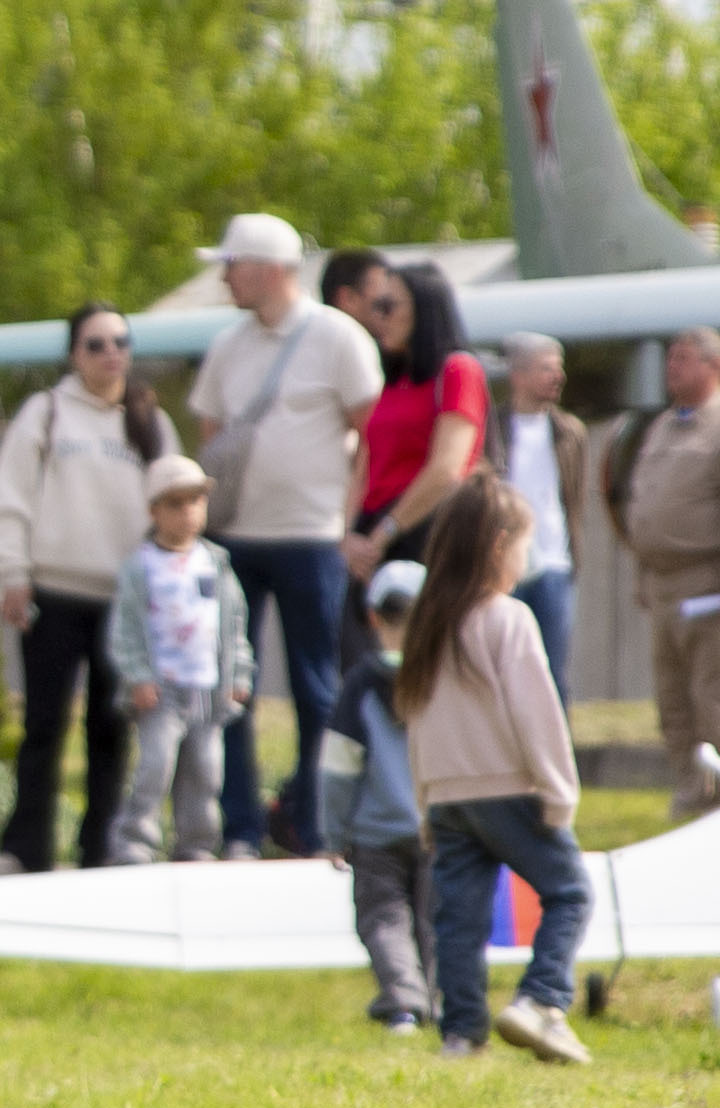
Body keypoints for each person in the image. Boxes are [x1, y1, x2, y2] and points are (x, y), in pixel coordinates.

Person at [188, 214, 384, 856]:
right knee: (231, 687)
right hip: (238, 540)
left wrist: (348, 523)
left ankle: (318, 824)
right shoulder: (227, 346)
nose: (225, 276)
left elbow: (370, 436)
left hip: (312, 540)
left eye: (234, 264)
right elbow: (211, 437)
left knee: (316, 687)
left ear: (272, 269)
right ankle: (241, 826)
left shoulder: (338, 338)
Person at [0, 302, 180, 871]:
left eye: (121, 341)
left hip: (125, 598)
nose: (111, 353)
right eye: (96, 344)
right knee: (43, 724)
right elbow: (9, 501)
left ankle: (102, 848)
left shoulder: (150, 421)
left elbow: (173, 508)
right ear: (74, 354)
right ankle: (25, 849)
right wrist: (11, 576)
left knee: (110, 728)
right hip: (53, 593)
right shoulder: (45, 414)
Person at [398, 476, 593, 1064]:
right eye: (524, 545)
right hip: (511, 790)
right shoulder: (508, 619)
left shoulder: (427, 628)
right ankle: (541, 1001)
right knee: (570, 892)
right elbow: (538, 714)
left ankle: (460, 1034)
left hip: (447, 798)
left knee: (458, 918)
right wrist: (558, 791)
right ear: (500, 544)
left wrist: (425, 803)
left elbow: (416, 723)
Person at [603, 327, 720, 816]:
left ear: (713, 366)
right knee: (672, 703)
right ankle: (688, 792)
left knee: (717, 703)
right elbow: (644, 503)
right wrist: (642, 573)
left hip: (711, 584)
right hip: (663, 584)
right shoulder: (665, 425)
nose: (671, 367)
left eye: (683, 359)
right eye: (670, 358)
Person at [105, 454, 251, 863]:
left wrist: (239, 673)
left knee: (206, 772)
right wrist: (137, 675)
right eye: (176, 504)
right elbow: (126, 629)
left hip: (207, 686)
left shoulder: (216, 564)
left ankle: (196, 844)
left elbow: (235, 625)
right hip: (160, 688)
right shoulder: (141, 567)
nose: (188, 512)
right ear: (154, 511)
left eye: (195, 501)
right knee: (154, 766)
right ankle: (136, 841)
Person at [318, 558, 435, 1033]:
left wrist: (332, 830)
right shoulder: (445, 683)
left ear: (372, 618)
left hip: (374, 834)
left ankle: (404, 1003)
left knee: (384, 919)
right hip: (440, 826)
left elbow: (338, 767)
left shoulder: (360, 687)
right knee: (438, 920)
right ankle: (445, 999)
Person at [331, 252, 483, 585]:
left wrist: (382, 535)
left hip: (426, 533)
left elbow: (447, 469)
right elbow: (366, 461)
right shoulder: (393, 378)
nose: (378, 317)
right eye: (376, 307)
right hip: (371, 537)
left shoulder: (457, 370)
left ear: (423, 309)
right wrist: (347, 535)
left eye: (389, 306)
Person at [489, 333, 587, 704]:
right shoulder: (493, 429)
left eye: (559, 368)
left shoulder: (569, 433)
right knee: (501, 669)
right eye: (547, 368)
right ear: (518, 375)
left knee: (553, 673)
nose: (557, 377)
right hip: (501, 566)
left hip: (553, 565)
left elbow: (575, 498)